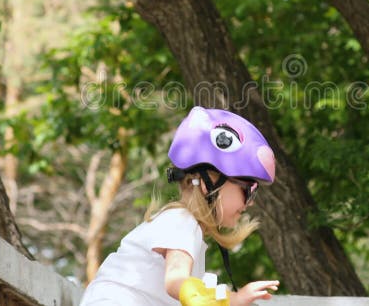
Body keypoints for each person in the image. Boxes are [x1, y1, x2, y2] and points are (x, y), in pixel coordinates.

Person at [80, 106, 280, 306]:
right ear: (207, 183)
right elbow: (176, 282)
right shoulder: (181, 221)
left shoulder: (185, 229)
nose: (251, 201)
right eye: (248, 188)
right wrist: (233, 299)